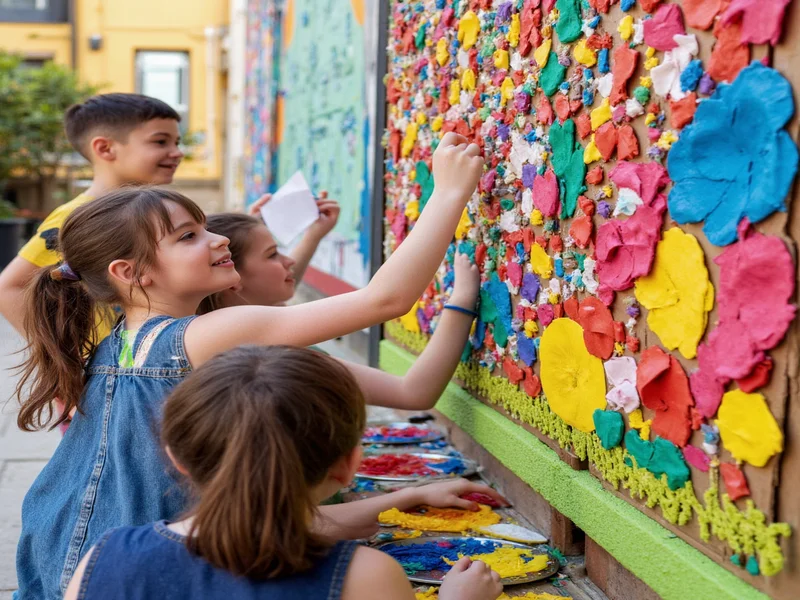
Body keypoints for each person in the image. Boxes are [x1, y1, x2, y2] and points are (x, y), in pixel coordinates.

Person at [14, 132, 483, 600]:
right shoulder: (199, 334)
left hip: (73, 565)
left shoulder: (120, 342)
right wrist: (448, 193)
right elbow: (385, 300)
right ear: (132, 273)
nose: (217, 239)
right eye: (189, 236)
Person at [63, 346, 504, 600]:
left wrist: (404, 498)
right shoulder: (367, 576)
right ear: (351, 465)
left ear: (176, 455)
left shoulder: (104, 557)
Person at [201, 210, 479, 410]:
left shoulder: (215, 337)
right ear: (233, 279)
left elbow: (271, 286)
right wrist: (462, 301)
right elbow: (413, 393)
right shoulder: (271, 361)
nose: (289, 261)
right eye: (273, 254)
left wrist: (313, 235)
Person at [0, 93, 185, 338]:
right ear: (105, 148)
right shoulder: (76, 216)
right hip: (113, 369)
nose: (177, 152)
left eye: (177, 142)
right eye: (161, 142)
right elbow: (9, 287)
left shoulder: (158, 211)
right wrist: (65, 357)